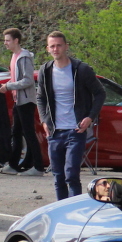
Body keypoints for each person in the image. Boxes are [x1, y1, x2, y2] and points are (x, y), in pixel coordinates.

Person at [35, 31, 105, 201]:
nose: (56, 49)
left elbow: (100, 93)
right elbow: (41, 98)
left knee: (71, 175)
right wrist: (44, 120)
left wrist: (90, 117)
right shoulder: (45, 70)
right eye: (52, 46)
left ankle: (75, 211)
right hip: (55, 132)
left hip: (76, 131)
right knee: (58, 177)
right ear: (47, 49)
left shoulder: (81, 69)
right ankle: (61, 210)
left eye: (59, 45)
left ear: (66, 46)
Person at [0, 27, 45, 176]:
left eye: (8, 40)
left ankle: (38, 167)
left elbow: (28, 80)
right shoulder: (14, 57)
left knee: (28, 133)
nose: (5, 43)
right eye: (5, 40)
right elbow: (16, 78)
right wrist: (6, 85)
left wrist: (9, 86)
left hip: (26, 101)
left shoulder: (24, 57)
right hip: (18, 101)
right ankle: (13, 165)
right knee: (16, 133)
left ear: (16, 40)